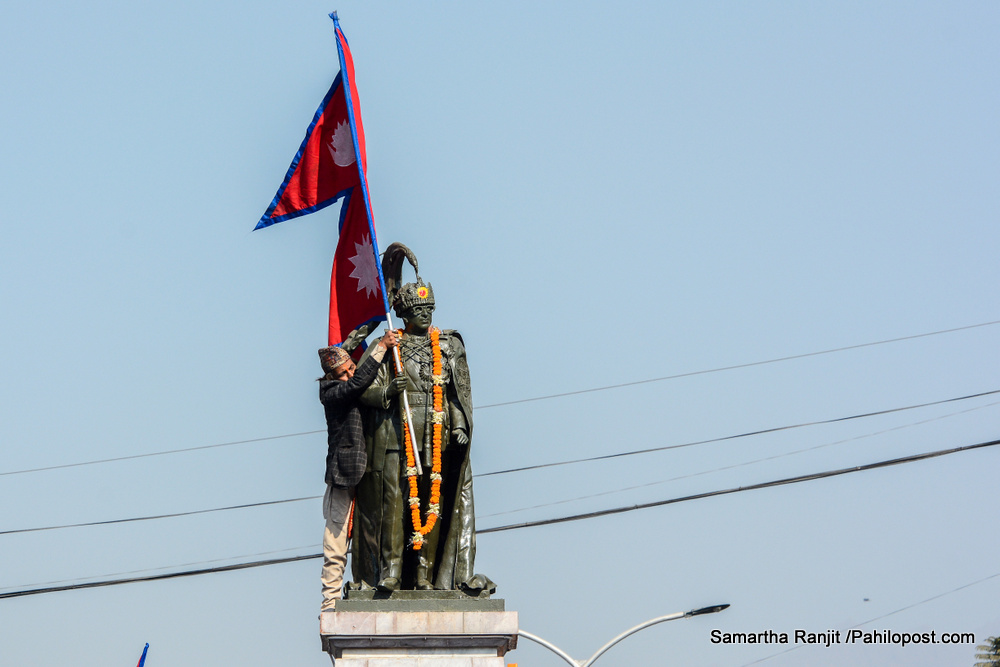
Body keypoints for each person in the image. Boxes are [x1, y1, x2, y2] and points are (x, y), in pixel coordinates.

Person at [352, 279, 493, 593]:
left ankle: (424, 577)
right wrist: (387, 391)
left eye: (428, 309)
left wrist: (458, 425)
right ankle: (390, 573)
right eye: (418, 309)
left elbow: (458, 393)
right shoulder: (389, 344)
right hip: (396, 435)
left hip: (436, 432)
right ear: (404, 314)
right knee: (395, 505)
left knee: (433, 504)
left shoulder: (446, 344)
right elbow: (360, 388)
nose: (425, 315)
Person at [317, 328, 404, 610]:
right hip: (343, 477)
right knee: (336, 544)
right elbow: (356, 385)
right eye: (342, 373)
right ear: (331, 378)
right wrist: (380, 346)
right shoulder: (332, 392)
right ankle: (329, 606)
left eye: (351, 367)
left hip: (370, 472)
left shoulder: (348, 382)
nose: (349, 374)